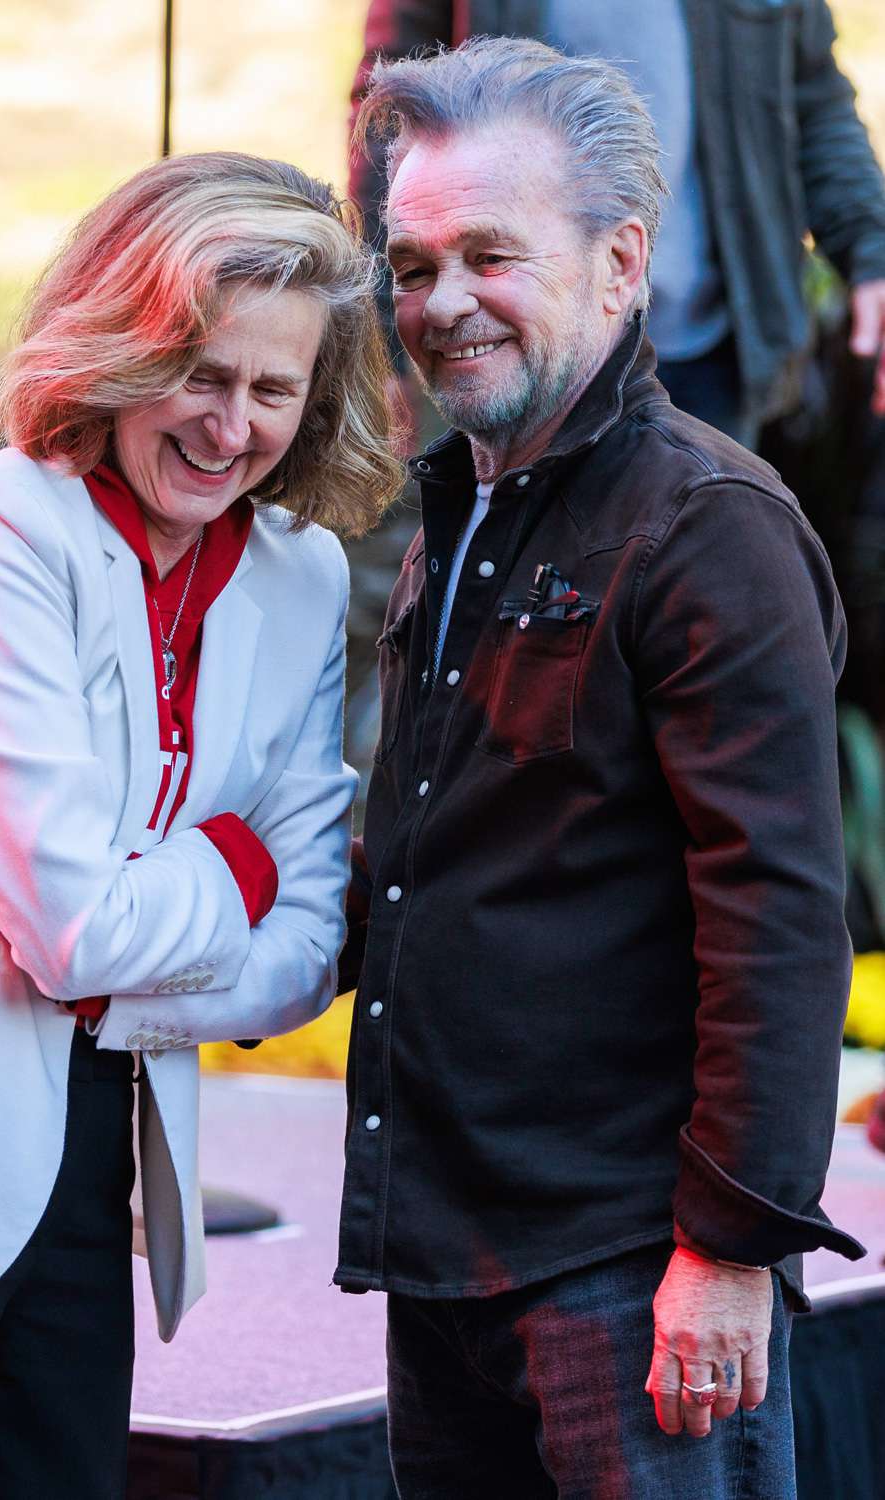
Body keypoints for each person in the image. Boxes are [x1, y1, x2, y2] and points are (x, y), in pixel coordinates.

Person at [0, 151, 402, 1499]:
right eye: (202, 375)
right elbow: (68, 927)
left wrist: (134, 972)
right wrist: (234, 857)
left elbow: (301, 951)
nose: (231, 426)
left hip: (95, 1150)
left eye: (272, 389)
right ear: (120, 351)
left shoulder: (296, 581)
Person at [335, 37, 865, 1498]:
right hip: (444, 1253)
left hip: (627, 1272)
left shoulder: (709, 526)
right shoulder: (453, 517)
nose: (440, 304)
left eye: (488, 256)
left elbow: (776, 911)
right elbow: (442, 859)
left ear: (620, 261)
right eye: (413, 262)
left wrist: (729, 1247)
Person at [350, 0, 885, 446]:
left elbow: (814, 97)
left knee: (696, 545)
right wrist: (380, 328)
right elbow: (391, 104)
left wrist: (869, 247)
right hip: (520, 344)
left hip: (708, 342)